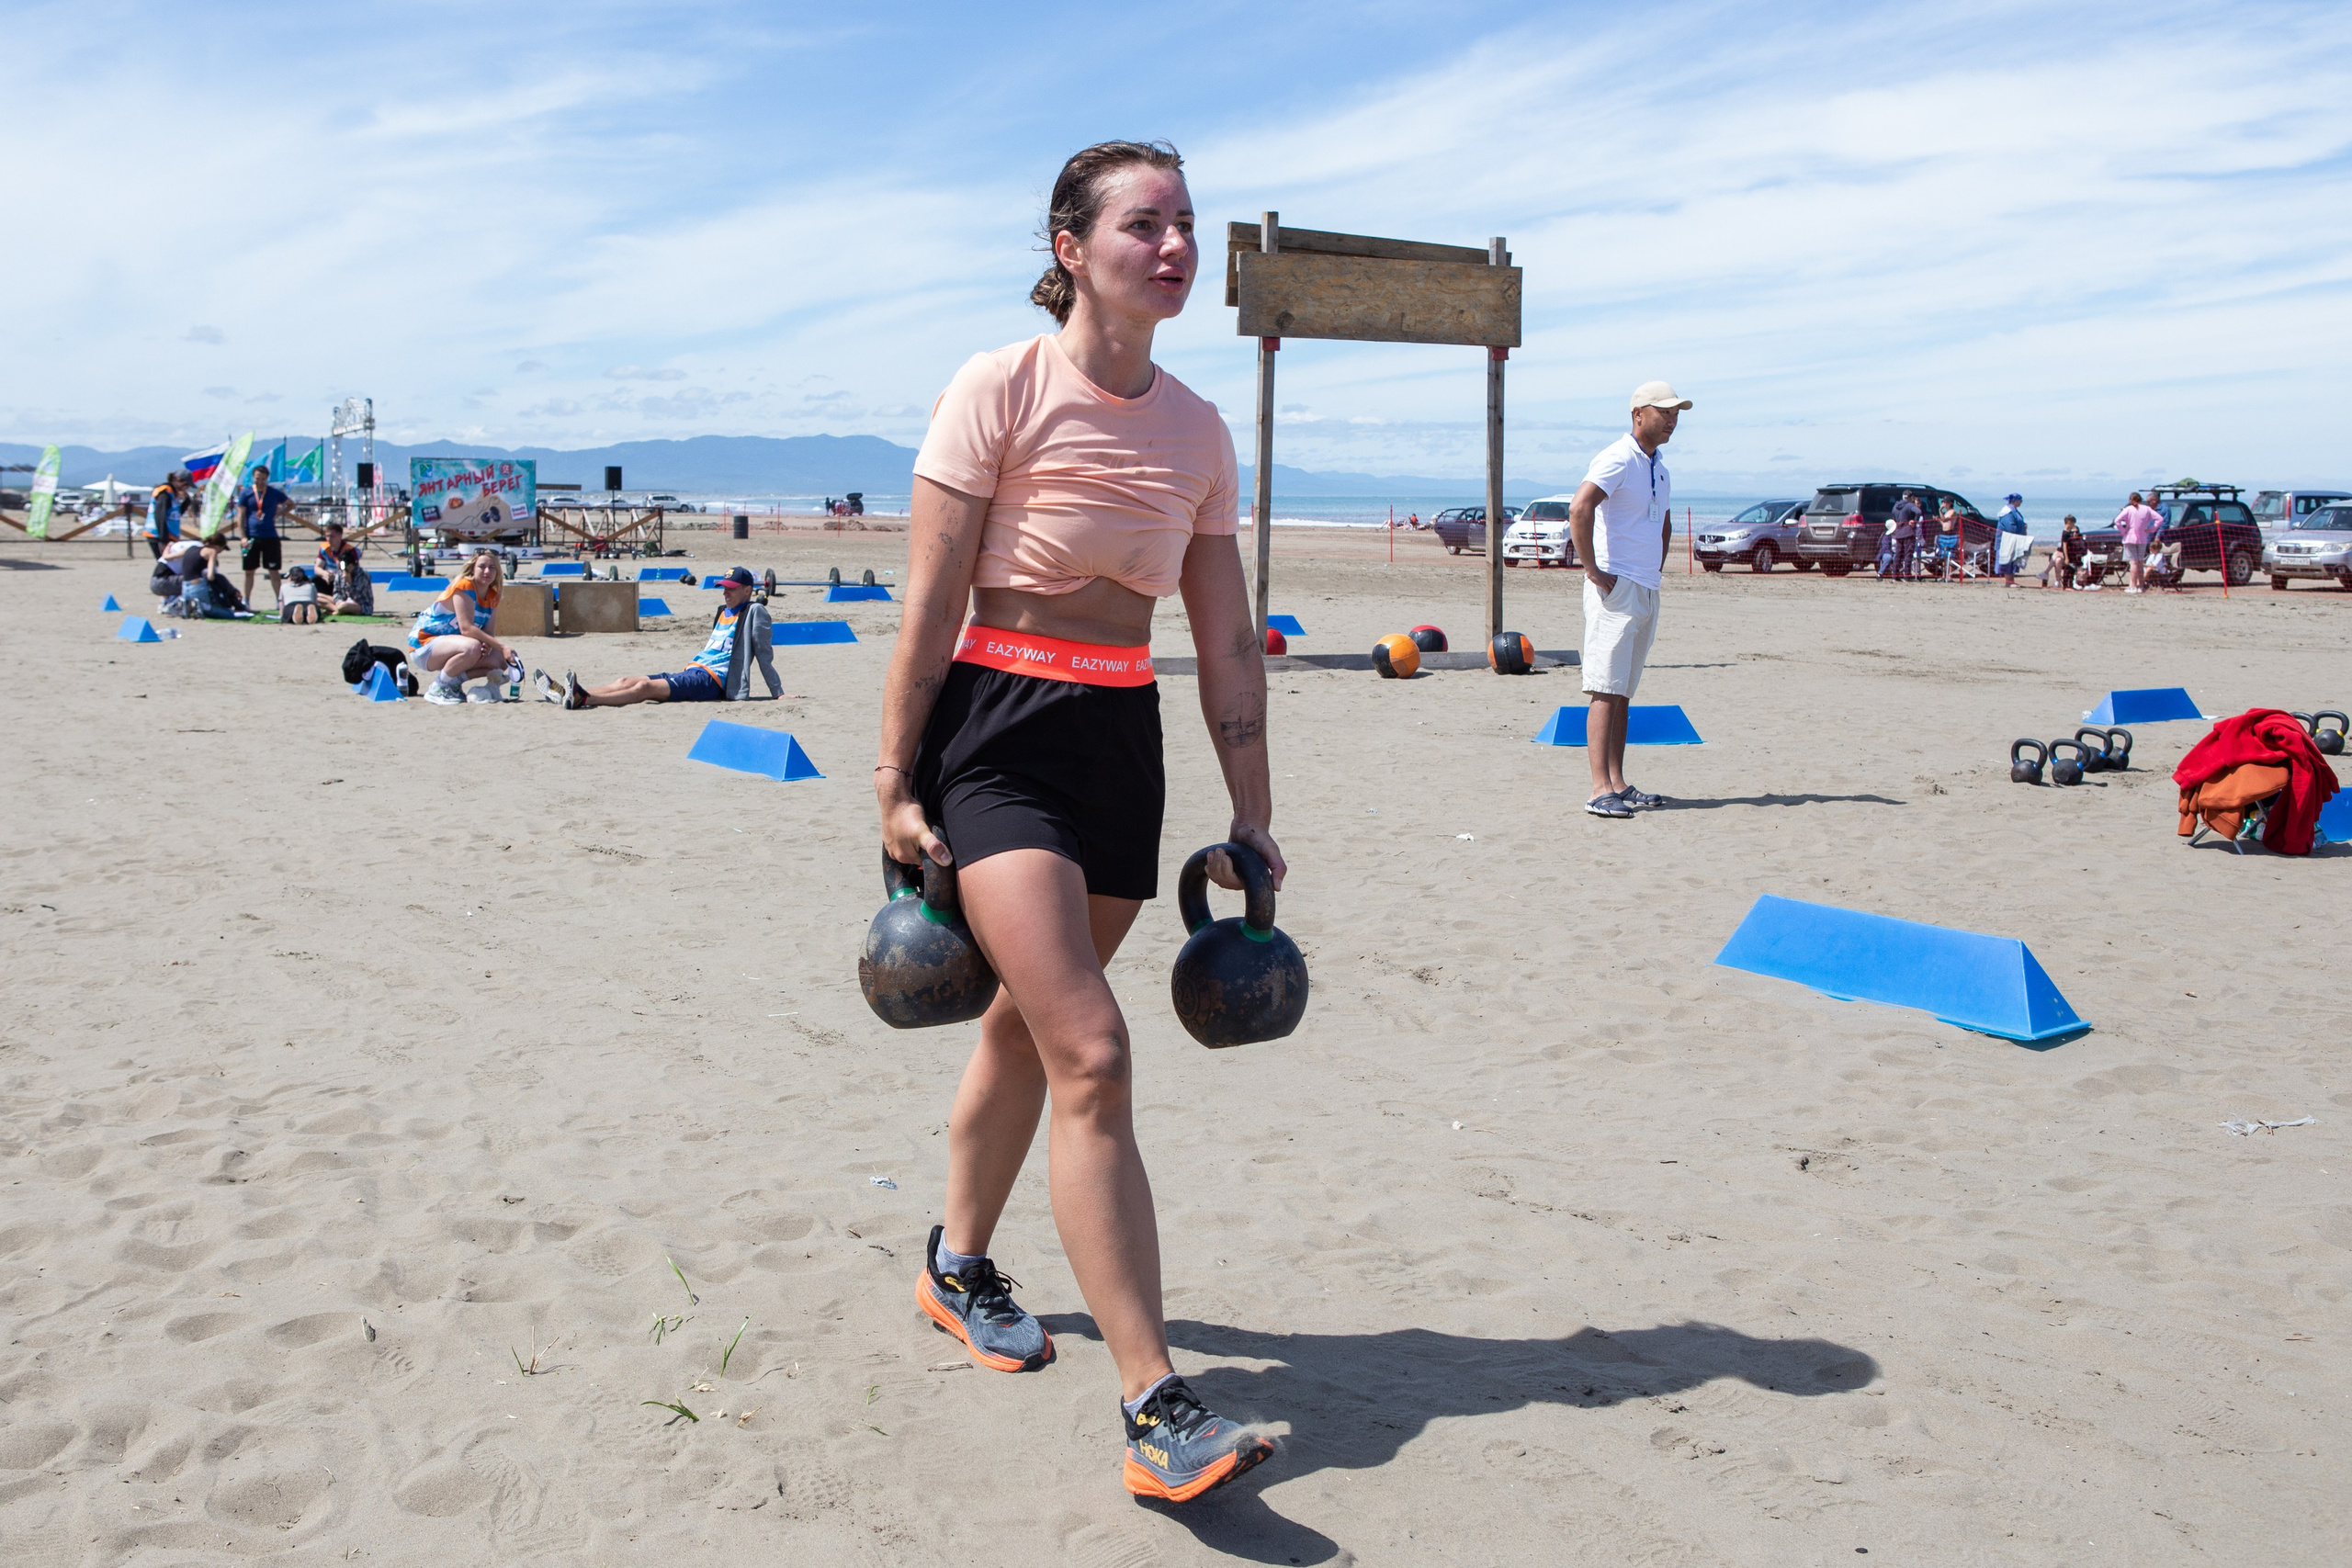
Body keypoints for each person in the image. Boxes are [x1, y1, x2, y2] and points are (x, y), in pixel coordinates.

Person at [873, 140, 1278, 1504]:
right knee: (1094, 1046)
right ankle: (1157, 1400)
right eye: (1143, 225)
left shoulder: (1201, 430)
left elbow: (1224, 644)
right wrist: (892, 775)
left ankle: (956, 1261)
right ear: (1070, 247)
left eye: (1185, 227)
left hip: (1119, 740)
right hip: (995, 732)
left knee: (1030, 1027)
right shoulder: (1000, 386)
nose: (1174, 249)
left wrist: (1254, 813)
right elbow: (930, 599)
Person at [1567, 380, 1686, 818]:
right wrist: (1596, 572)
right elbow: (1580, 509)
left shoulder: (1660, 467)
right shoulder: (1617, 456)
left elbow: (1664, 524)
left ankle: (1617, 781)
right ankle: (1599, 789)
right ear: (1639, 414)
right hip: (1615, 588)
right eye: (1664, 411)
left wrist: (1654, 571)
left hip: (1645, 586)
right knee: (1603, 687)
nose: (1672, 420)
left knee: (1623, 692)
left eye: (1676, 413)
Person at [545, 566, 780, 707]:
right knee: (626, 681)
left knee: (644, 688)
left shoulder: (754, 612)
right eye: (724, 587)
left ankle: (585, 700)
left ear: (747, 590)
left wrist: (778, 693)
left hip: (712, 681)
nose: (725, 592)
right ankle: (570, 693)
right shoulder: (722, 611)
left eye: (731, 588)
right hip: (694, 670)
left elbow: (763, 654)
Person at [406, 551, 517, 705]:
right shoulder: (464, 586)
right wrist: (501, 645)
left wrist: (491, 647)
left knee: (500, 659)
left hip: (452, 645)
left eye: (492, 567)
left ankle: (453, 683)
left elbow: (488, 632)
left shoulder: (493, 596)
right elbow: (467, 629)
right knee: (473, 646)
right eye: (482, 567)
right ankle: (437, 688)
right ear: (472, 569)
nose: (487, 571)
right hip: (424, 644)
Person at [237, 465, 289, 610]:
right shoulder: (246, 493)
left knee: (274, 570)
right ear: (253, 477)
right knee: (249, 570)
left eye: (263, 479)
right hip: (251, 536)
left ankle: (279, 601)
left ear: (267, 478)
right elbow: (240, 515)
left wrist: (279, 514)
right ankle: (246, 600)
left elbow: (290, 504)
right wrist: (242, 537)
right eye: (257, 478)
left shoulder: (273, 493)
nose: (260, 481)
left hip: (270, 536)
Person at [317, 523, 374, 616]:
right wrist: (338, 601)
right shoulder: (340, 573)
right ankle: (337, 609)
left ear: (351, 565)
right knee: (317, 597)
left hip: (360, 605)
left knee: (344, 606)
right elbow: (337, 592)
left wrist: (349, 583)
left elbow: (358, 598)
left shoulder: (362, 575)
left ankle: (337, 609)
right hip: (344, 600)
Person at [2112, 491, 2164, 594]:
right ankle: (2141, 585)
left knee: (2134, 563)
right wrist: (2151, 529)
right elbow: (2160, 519)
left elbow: (2117, 521)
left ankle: (2133, 585)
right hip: (2142, 537)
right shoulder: (2147, 509)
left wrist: (2123, 530)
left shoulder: (2128, 510)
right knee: (2140, 562)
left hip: (2130, 537)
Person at [1994, 492, 2030, 586]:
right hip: (2007, 540)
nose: (2021, 502)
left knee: (2013, 559)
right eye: (2020, 500)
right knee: (2008, 560)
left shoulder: (2014, 511)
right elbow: (2010, 527)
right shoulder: (2007, 512)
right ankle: (2008, 581)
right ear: (2016, 501)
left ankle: (2011, 580)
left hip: (2014, 540)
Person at [1889, 491, 1923, 581]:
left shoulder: (1895, 506)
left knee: (1898, 554)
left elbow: (1894, 518)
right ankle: (1907, 575)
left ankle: (1895, 575)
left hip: (1898, 532)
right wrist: (1914, 521)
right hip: (1908, 532)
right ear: (1911, 498)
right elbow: (1918, 512)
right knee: (1908, 554)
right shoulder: (1910, 505)